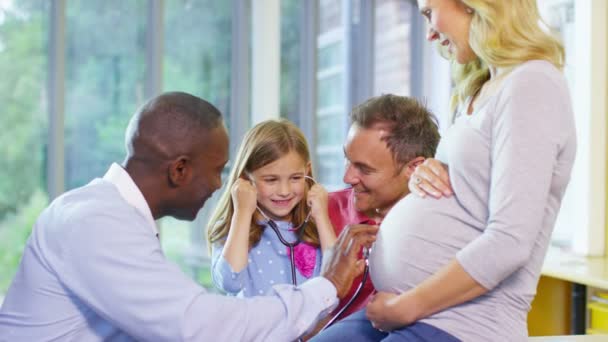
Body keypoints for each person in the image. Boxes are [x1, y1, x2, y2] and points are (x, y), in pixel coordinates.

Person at [0, 92, 378, 341]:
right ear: (179, 169)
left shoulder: (109, 215)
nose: (219, 184)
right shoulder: (93, 224)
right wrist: (326, 286)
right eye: (217, 169)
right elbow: (198, 327)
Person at [313, 0, 576, 341]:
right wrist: (429, 172)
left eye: (428, 12)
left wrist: (407, 306)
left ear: (474, 5)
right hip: (413, 310)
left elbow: (511, 240)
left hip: (462, 323)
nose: (429, 34)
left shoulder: (532, 83)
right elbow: (474, 191)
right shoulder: (482, 90)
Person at [325, 94, 441, 320]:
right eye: (347, 160)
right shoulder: (321, 213)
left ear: (414, 167)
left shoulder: (440, 227)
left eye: (364, 169)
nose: (347, 177)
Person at [207, 119, 336, 297]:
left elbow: (337, 278)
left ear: (307, 172)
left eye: (296, 178)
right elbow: (231, 282)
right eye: (271, 180)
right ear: (245, 178)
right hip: (256, 325)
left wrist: (322, 218)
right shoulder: (232, 228)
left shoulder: (314, 225)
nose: (284, 191)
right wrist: (243, 213)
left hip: (316, 326)